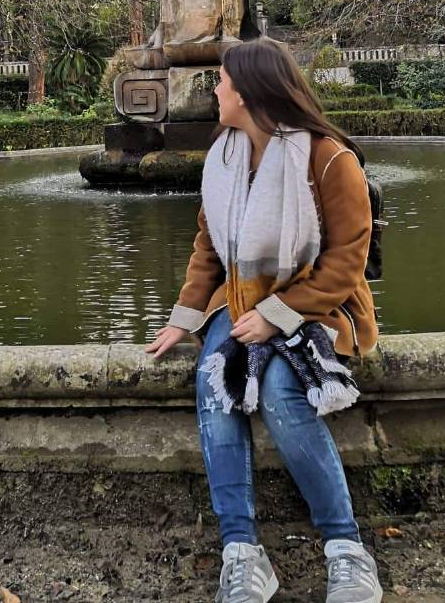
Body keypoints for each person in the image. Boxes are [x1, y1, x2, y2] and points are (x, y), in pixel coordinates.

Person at [146, 37, 383, 603]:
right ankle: (242, 552)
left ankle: (347, 551)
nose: (214, 88)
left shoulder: (329, 158)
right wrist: (183, 318)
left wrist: (277, 316)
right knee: (213, 380)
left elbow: (348, 259)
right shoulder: (224, 155)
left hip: (320, 304)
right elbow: (209, 249)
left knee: (281, 388)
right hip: (240, 300)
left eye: (222, 81)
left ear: (250, 92)